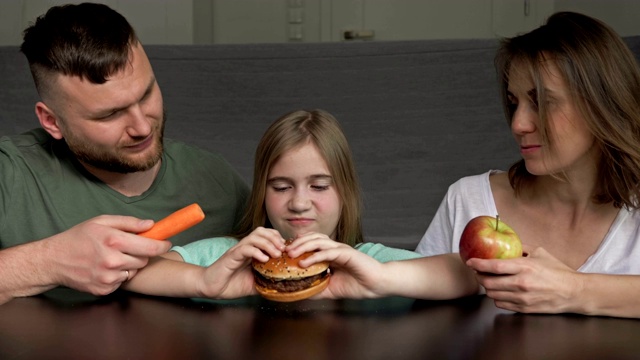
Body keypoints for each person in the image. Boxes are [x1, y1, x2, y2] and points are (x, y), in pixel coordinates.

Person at [289, 11, 640, 318]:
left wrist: (574, 290)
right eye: (514, 102)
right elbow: (428, 306)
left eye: (542, 102)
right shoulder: (469, 199)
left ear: (601, 104)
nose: (519, 124)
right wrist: (376, 278)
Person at [0, 3, 249, 305]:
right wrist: (50, 262)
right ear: (52, 121)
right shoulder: (9, 174)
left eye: (146, 94)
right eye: (110, 115)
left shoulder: (217, 180)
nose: (143, 127)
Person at [123, 109, 421, 298]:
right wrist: (204, 279)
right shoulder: (229, 255)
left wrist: (381, 276)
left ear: (346, 191)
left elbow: (460, 275)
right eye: (281, 187)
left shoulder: (365, 260)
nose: (300, 203)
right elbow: (131, 273)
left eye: (318, 186)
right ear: (262, 192)